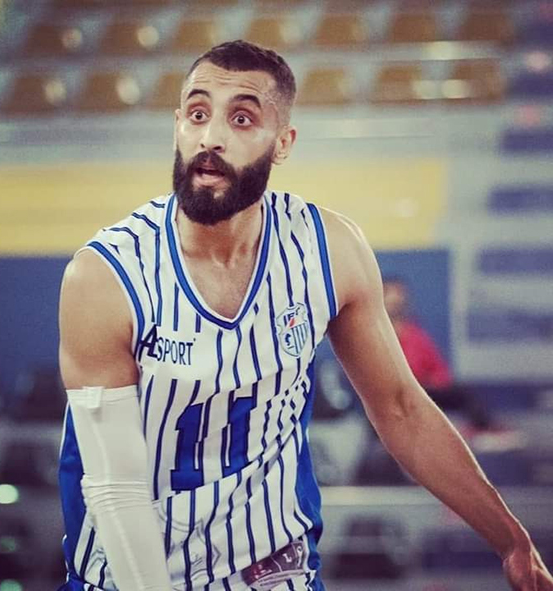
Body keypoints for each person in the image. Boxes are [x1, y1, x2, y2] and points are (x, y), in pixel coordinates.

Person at [57, 40, 553, 591]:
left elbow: (402, 409)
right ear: (177, 125)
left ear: (283, 142)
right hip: (130, 576)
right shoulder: (104, 275)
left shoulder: (330, 250)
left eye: (241, 119)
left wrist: (512, 541)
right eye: (197, 114)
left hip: (276, 572)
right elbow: (115, 489)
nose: (211, 136)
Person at [383, 276, 492, 430]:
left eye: (399, 294)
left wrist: (438, 381)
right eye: (389, 293)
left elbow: (437, 366)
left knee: (465, 393)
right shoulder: (376, 335)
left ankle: (484, 430)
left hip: (424, 389)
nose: (395, 299)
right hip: (393, 393)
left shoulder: (415, 333)